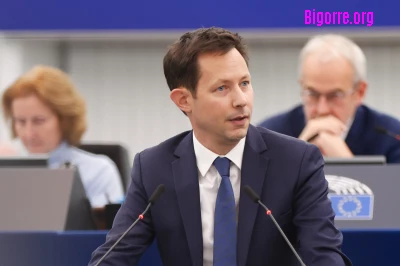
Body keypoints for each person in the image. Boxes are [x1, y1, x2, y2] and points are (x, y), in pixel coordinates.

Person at [88, 27, 351, 266]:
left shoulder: (296, 162)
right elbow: (114, 256)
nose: (240, 100)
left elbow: (324, 255)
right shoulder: (154, 169)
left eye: (244, 83)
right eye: (222, 88)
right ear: (184, 100)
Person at [258, 34, 400, 163]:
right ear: (301, 86)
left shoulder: (392, 137)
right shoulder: (269, 136)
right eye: (312, 94)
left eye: (335, 96)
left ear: (360, 92)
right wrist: (299, 153)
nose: (322, 109)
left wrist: (348, 163)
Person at [1, 65, 124, 208]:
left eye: (39, 121)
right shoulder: (6, 167)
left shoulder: (97, 171)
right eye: (20, 121)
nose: (28, 133)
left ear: (64, 120)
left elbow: (108, 228)